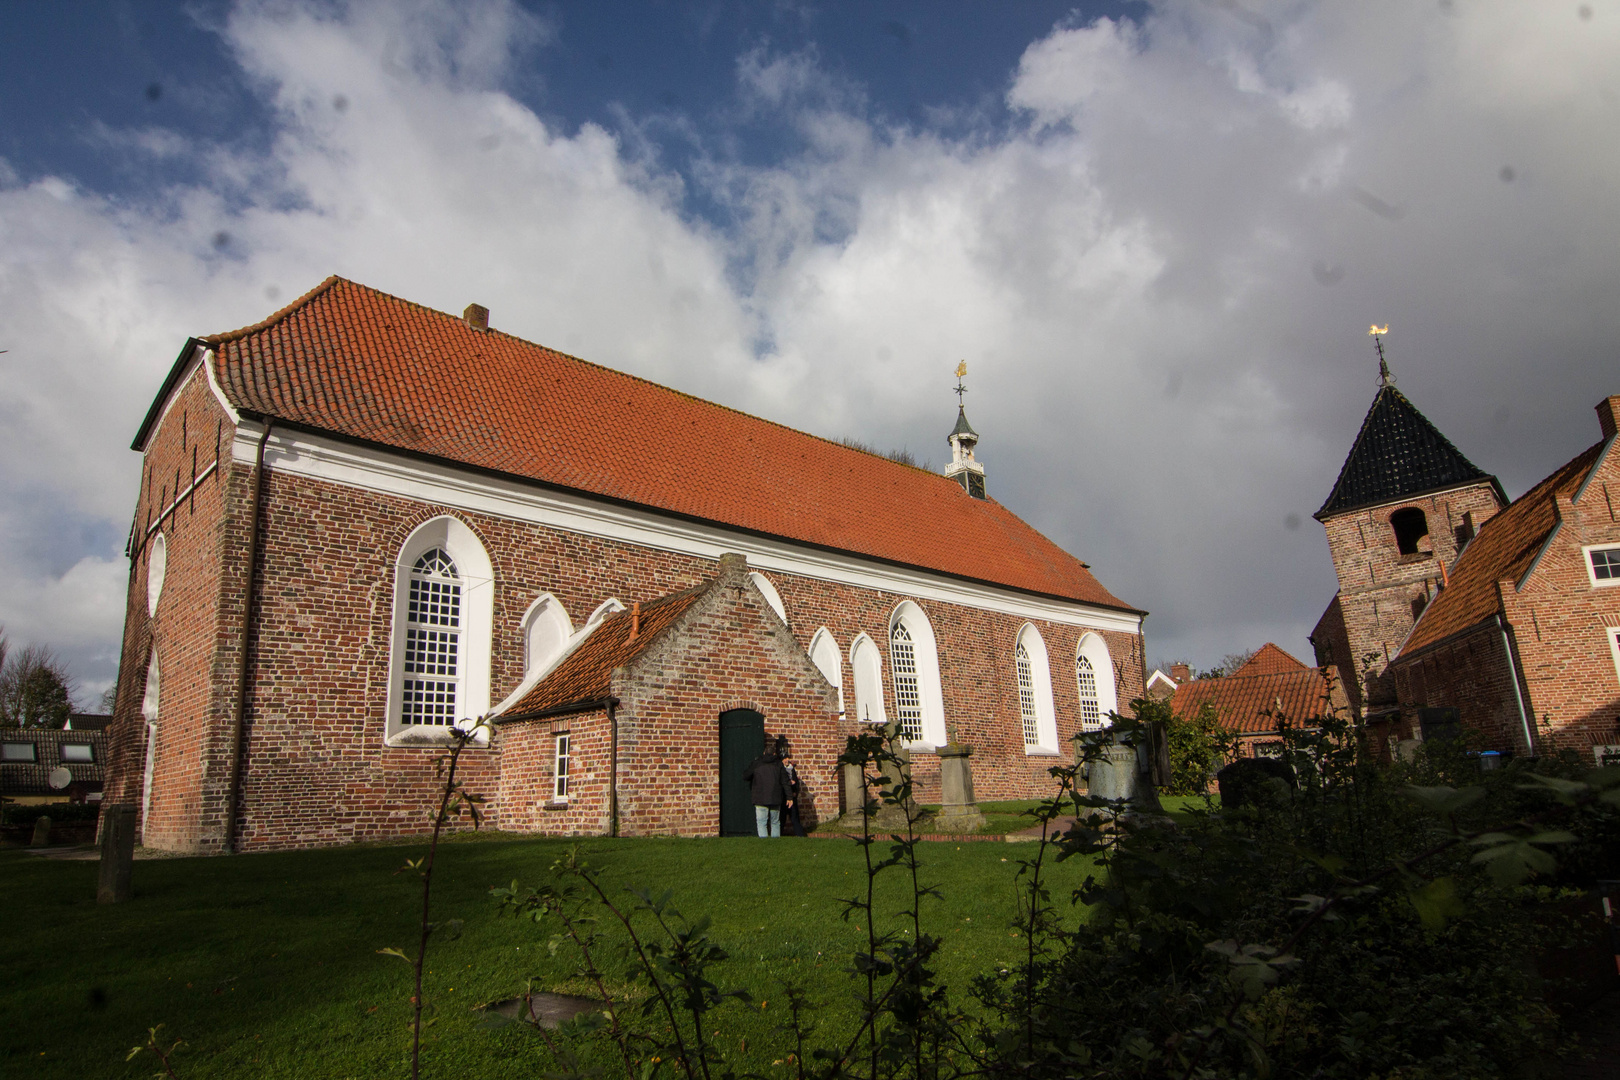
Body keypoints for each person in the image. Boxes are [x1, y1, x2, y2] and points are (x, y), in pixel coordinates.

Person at [741, 738, 790, 837]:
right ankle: (775, 845)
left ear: (764, 753)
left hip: (760, 797)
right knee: (775, 822)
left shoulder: (757, 763)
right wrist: (789, 797)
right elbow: (785, 781)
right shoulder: (778, 764)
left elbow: (746, 776)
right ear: (774, 754)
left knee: (761, 823)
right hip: (775, 797)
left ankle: (764, 844)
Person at [778, 738, 807, 837]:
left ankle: (800, 835)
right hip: (783, 798)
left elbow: (797, 782)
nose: (787, 760)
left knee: (795, 818)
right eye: (785, 758)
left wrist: (795, 791)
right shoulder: (779, 769)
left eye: (787, 758)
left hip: (792, 797)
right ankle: (778, 836)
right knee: (781, 819)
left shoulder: (791, 769)